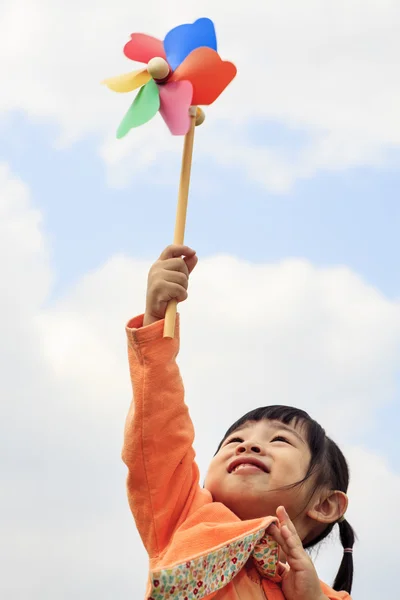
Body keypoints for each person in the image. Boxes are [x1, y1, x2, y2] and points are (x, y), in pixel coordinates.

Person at [122, 245, 355, 600]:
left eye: (280, 440)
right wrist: (157, 325)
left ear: (324, 505)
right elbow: (161, 435)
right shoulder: (184, 516)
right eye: (233, 441)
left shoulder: (321, 595)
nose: (248, 444)